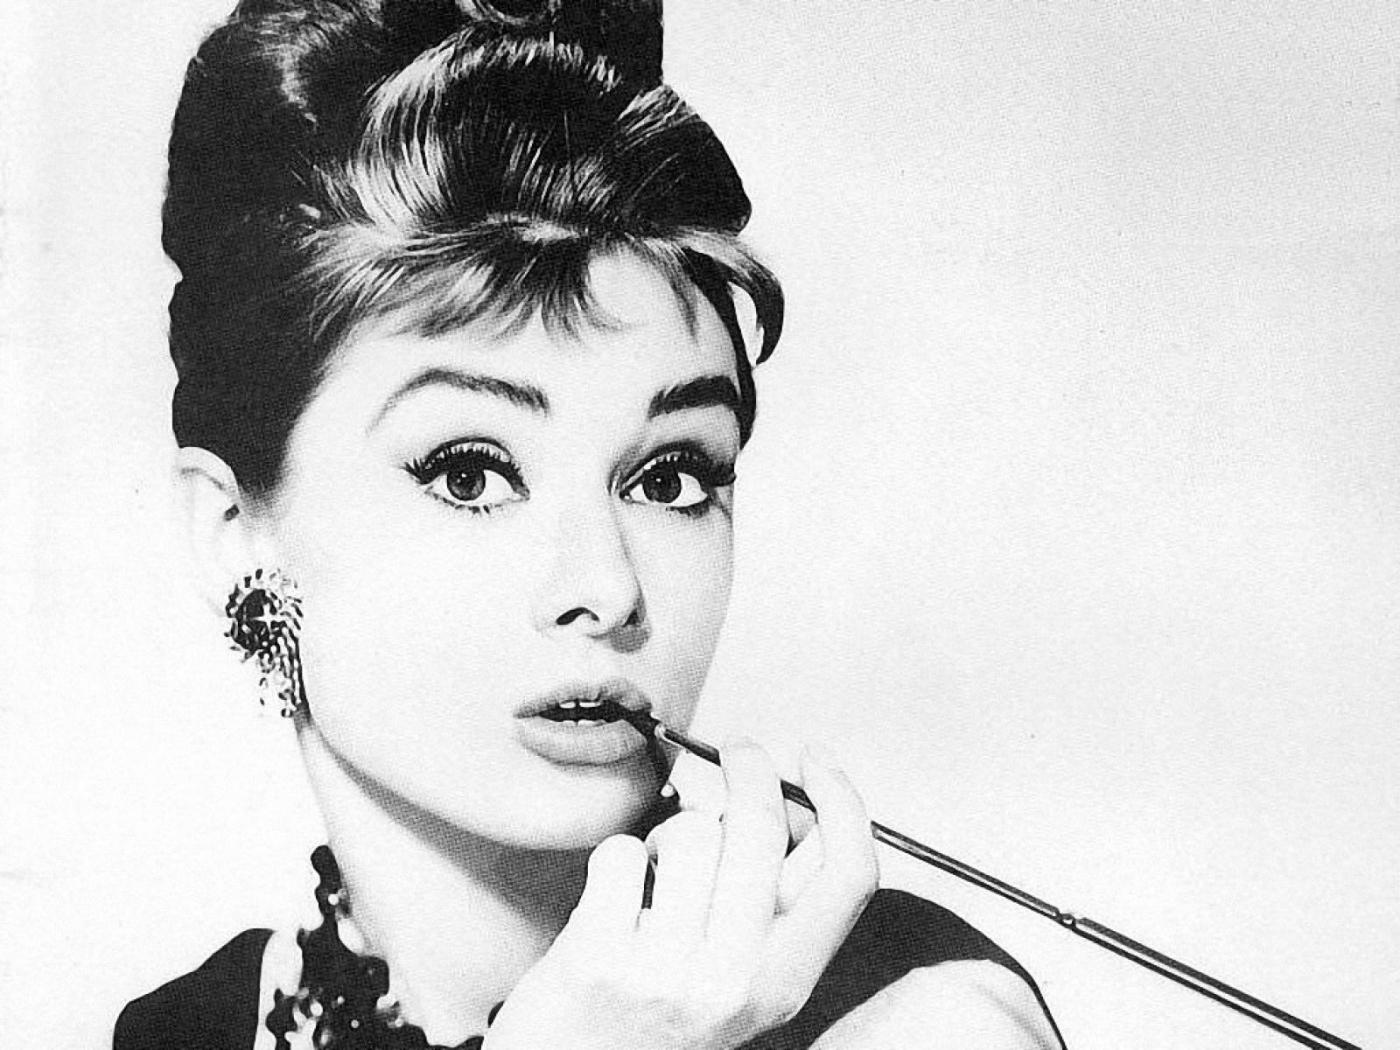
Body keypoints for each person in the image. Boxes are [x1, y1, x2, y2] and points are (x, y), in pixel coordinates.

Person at [115, 1, 1064, 1047]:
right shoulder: (190, 1031)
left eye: (670, 478)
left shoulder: (919, 1026)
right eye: (469, 474)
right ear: (234, 533)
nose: (607, 589)